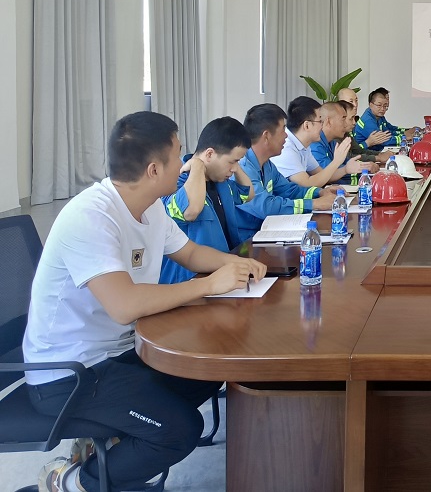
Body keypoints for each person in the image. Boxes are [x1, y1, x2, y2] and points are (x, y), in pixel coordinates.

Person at [24, 112, 266, 492]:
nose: (185, 161)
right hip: (69, 372)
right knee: (179, 430)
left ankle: (109, 444)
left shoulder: (150, 206)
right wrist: (208, 285)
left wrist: (235, 264)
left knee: (204, 372)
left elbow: (190, 253)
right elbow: (124, 306)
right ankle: (71, 482)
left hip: (118, 353)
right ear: (154, 170)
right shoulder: (90, 216)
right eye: (179, 154)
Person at [160, 116, 256, 284]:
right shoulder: (177, 182)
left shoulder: (220, 182)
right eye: (232, 162)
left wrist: (235, 164)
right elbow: (191, 210)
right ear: (210, 154)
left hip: (224, 271)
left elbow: (248, 195)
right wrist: (197, 164)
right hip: (191, 280)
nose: (234, 168)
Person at [234, 103, 337, 241]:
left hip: (267, 232)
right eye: (283, 130)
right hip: (245, 242)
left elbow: (289, 190)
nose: (286, 136)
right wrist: (314, 204)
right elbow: (266, 206)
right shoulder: (242, 166)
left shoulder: (267, 165)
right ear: (266, 136)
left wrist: (320, 192)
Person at [271, 96, 364, 187]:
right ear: (307, 125)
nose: (322, 126)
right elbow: (306, 184)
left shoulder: (303, 145)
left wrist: (345, 169)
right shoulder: (286, 148)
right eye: (320, 121)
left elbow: (322, 175)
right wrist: (336, 162)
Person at [310, 100, 380, 182]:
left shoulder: (332, 142)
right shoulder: (315, 146)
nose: (346, 124)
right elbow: (329, 174)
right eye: (343, 119)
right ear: (329, 122)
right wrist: (363, 168)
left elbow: (347, 162)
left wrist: (365, 166)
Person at [354, 87, 415, 152]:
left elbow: (388, 131)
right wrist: (404, 138)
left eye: (385, 106)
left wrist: (405, 132)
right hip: (366, 154)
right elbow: (384, 140)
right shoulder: (367, 121)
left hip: (375, 151)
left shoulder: (378, 116)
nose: (382, 109)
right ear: (371, 105)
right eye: (379, 105)